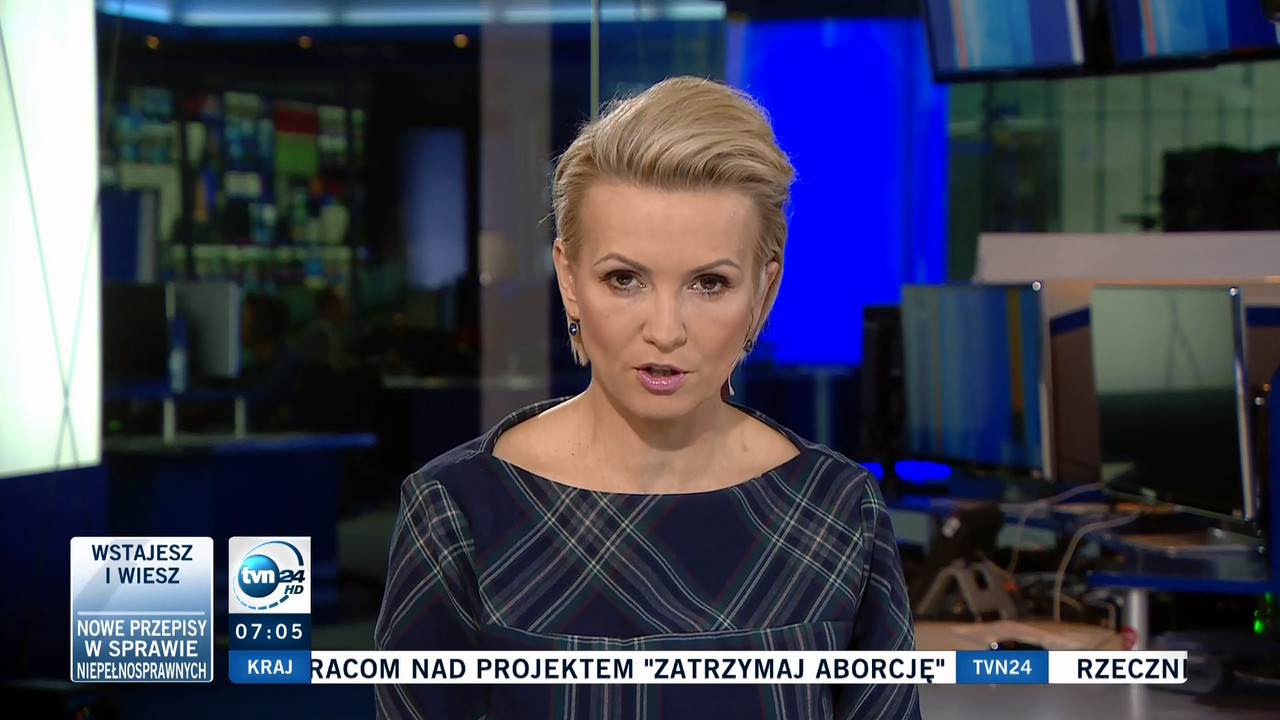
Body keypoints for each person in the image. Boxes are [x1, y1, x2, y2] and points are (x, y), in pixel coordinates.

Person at [374, 76, 920, 720]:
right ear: (569, 281)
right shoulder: (458, 511)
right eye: (624, 279)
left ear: (764, 290)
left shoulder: (839, 512)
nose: (665, 330)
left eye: (709, 283)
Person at [239, 293, 301, 431]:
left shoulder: (285, 366)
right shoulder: (254, 368)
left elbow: (256, 405)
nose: (237, 326)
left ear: (262, 326)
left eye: (242, 320)